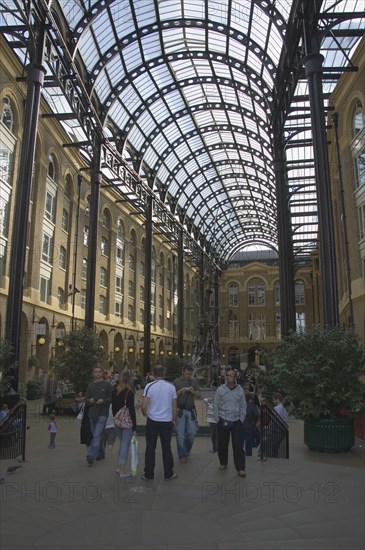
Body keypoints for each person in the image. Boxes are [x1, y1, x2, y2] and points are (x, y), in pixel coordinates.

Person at [141, 365, 177, 481]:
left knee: (150, 447)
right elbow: (174, 405)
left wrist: (145, 413)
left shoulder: (149, 386)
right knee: (166, 447)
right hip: (166, 421)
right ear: (164, 373)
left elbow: (144, 404)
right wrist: (174, 419)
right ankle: (169, 473)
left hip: (153, 421)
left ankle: (149, 474)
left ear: (153, 373)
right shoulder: (171, 387)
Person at [213, 369, 247, 477]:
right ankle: (223, 462)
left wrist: (241, 419)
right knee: (222, 443)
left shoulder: (240, 389)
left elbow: (243, 405)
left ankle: (241, 468)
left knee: (238, 445)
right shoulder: (220, 389)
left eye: (230, 375)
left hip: (236, 420)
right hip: (223, 419)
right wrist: (217, 419)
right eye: (227, 375)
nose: (228, 377)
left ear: (235, 377)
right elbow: (216, 404)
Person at [84, 364, 113, 466]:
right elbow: (86, 399)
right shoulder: (90, 386)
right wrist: (90, 400)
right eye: (95, 372)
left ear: (102, 373)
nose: (97, 373)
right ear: (93, 374)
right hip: (92, 414)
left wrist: (104, 401)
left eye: (99, 372)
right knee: (97, 435)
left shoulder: (107, 385)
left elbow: (112, 398)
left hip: (102, 414)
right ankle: (101, 453)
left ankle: (91, 456)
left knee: (96, 435)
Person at [173, 365, 201, 463]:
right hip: (180, 411)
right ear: (182, 372)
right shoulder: (176, 382)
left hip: (190, 410)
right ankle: (182, 455)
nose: (188, 376)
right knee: (180, 434)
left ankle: (187, 449)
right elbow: (172, 397)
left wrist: (192, 391)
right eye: (186, 374)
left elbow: (199, 396)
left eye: (190, 374)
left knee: (192, 432)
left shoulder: (194, 381)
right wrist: (180, 391)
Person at [111, 371, 136, 478]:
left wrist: (116, 418)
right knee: (125, 445)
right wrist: (134, 427)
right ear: (130, 379)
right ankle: (122, 470)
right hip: (126, 423)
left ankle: (119, 467)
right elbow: (132, 411)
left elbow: (113, 407)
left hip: (117, 421)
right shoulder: (129, 392)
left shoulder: (115, 390)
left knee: (122, 444)